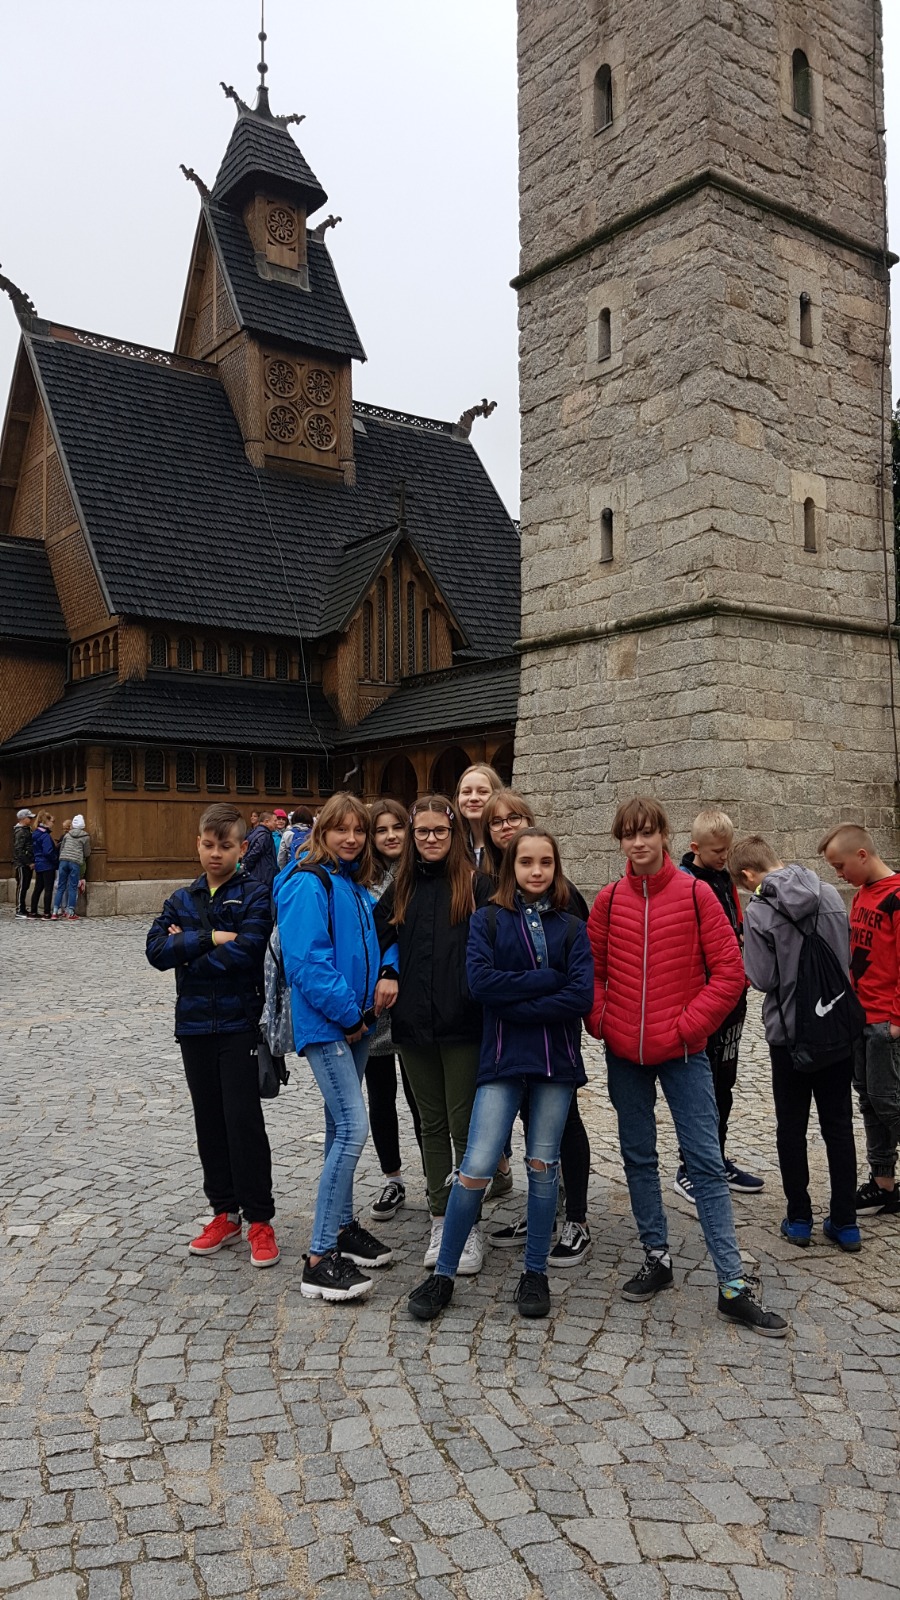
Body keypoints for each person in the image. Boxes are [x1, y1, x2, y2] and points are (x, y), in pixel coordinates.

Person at [586, 796, 788, 1337]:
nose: (638, 842)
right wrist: (602, 1020)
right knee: (638, 1156)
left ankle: (731, 1285)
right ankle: (656, 1255)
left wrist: (687, 1027)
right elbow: (594, 972)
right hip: (625, 1053)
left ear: (664, 836)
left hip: (683, 1053)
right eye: (628, 834)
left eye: (646, 832)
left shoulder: (696, 894)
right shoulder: (608, 900)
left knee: (704, 1162)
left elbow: (729, 973)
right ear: (621, 840)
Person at [409, 829, 595, 1321]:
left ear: (556, 867)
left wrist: (517, 1002)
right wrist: (547, 981)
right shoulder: (488, 920)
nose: (537, 871)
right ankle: (443, 1273)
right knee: (476, 1165)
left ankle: (535, 1271)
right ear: (511, 866)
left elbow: (581, 996)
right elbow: (480, 984)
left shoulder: (572, 927)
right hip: (501, 1058)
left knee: (542, 1165)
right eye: (526, 862)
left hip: (555, 1062)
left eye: (546, 862)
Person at [275, 792, 399, 1302]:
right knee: (352, 1128)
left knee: (336, 1128)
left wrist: (385, 975)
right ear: (321, 832)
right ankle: (320, 1256)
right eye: (340, 829)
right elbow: (308, 963)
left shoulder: (352, 884)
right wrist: (350, 1014)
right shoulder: (308, 883)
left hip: (358, 1023)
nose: (351, 838)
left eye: (358, 830)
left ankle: (343, 1225)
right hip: (330, 1026)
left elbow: (379, 939)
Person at [145, 803, 280, 1268]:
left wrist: (189, 950)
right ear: (198, 845)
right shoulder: (182, 898)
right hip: (194, 1026)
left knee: (243, 1122)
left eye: (225, 845)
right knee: (209, 1122)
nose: (215, 853)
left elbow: (250, 950)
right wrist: (212, 938)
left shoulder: (256, 894)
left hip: (239, 1025)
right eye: (208, 844)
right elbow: (156, 950)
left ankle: (260, 1219)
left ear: (242, 848)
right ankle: (224, 1212)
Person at [375, 793, 493, 1273]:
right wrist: (389, 970)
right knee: (431, 1124)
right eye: (421, 832)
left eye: (439, 831)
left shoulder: (476, 884)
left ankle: (468, 1223)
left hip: (462, 1023)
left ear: (453, 833)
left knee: (463, 1124)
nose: (430, 839)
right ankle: (441, 1216)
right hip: (413, 1025)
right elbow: (378, 937)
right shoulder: (401, 887)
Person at [481, 788, 594, 1266]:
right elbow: (483, 978)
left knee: (565, 1121)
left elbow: (577, 977)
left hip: (553, 1035)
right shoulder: (487, 890)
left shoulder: (563, 895)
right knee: (531, 1121)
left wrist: (522, 1002)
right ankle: (542, 1210)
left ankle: (577, 1217)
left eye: (515, 818)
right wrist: (534, 989)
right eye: (497, 821)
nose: (506, 826)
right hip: (507, 1036)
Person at [731, 835, 860, 1252]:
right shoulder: (829, 893)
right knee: (839, 1125)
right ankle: (846, 1222)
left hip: (789, 1035)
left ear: (748, 875)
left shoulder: (759, 911)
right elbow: (845, 958)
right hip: (836, 1025)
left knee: (791, 1126)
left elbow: (763, 978)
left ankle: (800, 1219)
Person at [673, 809, 763, 1202]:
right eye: (717, 852)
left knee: (724, 1083)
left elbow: (736, 923)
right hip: (701, 999)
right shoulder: (684, 883)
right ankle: (690, 1165)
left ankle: (715, 1158)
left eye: (727, 850)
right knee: (700, 1088)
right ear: (695, 847)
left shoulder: (725, 878)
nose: (724, 858)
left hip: (732, 998)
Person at [819, 823, 900, 1217]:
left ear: (862, 855)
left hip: (886, 1022)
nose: (839, 875)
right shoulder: (864, 894)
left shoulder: (896, 897)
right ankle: (884, 1184)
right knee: (868, 1100)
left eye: (841, 866)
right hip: (861, 1017)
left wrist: (897, 1018)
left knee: (889, 1102)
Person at [365, 799, 424, 1219]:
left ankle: (437, 1176)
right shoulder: (359, 878)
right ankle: (393, 1177)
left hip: (411, 995)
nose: (390, 836)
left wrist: (394, 968)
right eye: (381, 829)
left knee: (421, 1096)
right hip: (372, 1002)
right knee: (380, 1095)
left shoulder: (420, 874)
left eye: (397, 827)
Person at [454, 763, 503, 866]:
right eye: (466, 792)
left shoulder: (507, 845)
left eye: (483, 792)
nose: (473, 798)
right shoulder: (454, 848)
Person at [52, 814, 91, 920]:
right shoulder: (85, 837)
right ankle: (71, 912)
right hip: (75, 862)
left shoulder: (67, 835)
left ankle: (55, 911)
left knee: (61, 886)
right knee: (72, 887)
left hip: (63, 861)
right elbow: (87, 852)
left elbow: (62, 848)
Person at [30, 811, 59, 919]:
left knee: (38, 888)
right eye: (52, 822)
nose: (53, 824)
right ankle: (47, 913)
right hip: (47, 865)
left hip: (38, 864)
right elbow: (48, 852)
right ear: (46, 821)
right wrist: (55, 860)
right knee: (48, 889)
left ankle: (33, 911)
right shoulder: (45, 835)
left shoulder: (35, 834)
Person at [243, 810, 278, 890]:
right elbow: (254, 853)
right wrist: (246, 867)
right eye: (275, 821)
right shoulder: (264, 835)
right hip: (262, 877)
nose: (277, 823)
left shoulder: (255, 832)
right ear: (266, 822)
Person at [13, 808, 35, 919]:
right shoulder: (20, 831)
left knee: (25, 886)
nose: (31, 820)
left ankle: (22, 908)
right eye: (29, 818)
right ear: (23, 818)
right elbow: (19, 850)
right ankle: (19, 910)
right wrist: (28, 862)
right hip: (22, 864)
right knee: (22, 886)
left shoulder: (27, 830)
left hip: (26, 862)